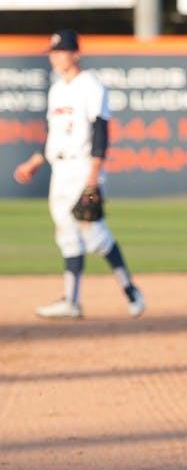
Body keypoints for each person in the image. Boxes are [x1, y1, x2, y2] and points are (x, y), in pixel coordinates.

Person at [13, 29, 144, 319]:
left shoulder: (91, 85)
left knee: (94, 232)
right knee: (67, 233)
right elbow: (54, 134)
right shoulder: (57, 89)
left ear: (76, 54)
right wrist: (35, 162)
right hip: (59, 167)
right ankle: (71, 301)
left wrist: (94, 175)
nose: (56, 56)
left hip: (84, 165)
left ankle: (130, 290)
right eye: (53, 51)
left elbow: (101, 131)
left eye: (62, 51)